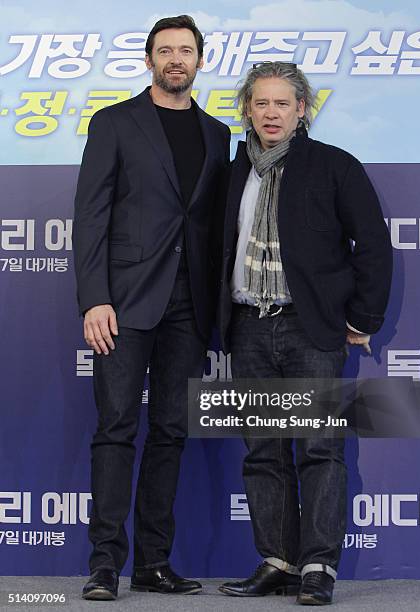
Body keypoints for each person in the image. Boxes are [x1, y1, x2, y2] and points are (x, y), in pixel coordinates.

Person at [217, 62, 392, 605]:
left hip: (310, 329)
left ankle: (318, 568)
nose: (271, 113)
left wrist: (363, 319)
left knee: (319, 451)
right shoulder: (231, 174)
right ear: (248, 108)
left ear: (301, 111)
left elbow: (373, 246)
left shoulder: (336, 166)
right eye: (261, 103)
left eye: (282, 104)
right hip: (248, 328)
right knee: (263, 452)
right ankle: (277, 561)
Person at [73, 14, 230, 601]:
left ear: (198, 61)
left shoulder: (218, 135)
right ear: (148, 60)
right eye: (165, 51)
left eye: (185, 51)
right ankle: (104, 564)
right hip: (125, 304)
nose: (175, 60)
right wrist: (95, 298)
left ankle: (153, 563)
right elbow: (90, 215)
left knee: (169, 432)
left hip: (190, 307)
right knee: (116, 431)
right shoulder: (114, 122)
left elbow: (212, 226)